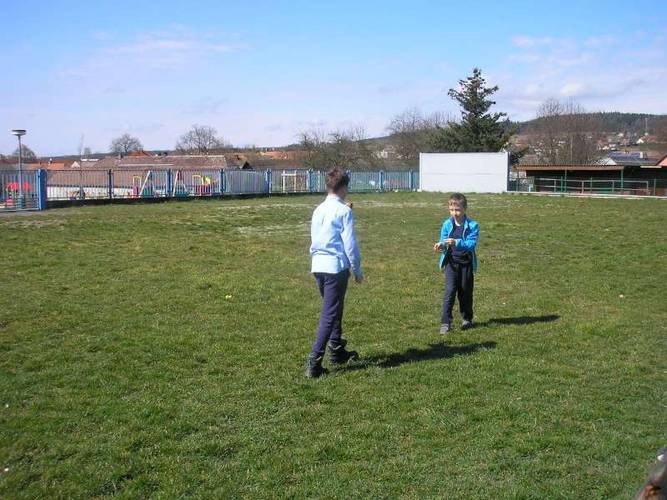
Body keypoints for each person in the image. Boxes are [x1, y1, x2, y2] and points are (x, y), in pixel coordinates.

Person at [306, 168, 363, 378]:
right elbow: (350, 245)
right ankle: (314, 362)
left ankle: (337, 349)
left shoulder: (318, 209)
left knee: (334, 308)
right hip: (335, 268)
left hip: (318, 266)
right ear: (344, 188)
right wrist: (357, 270)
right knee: (329, 314)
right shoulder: (344, 212)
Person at [433, 192, 479, 335]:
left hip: (466, 264)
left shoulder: (473, 225)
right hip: (451, 264)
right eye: (452, 210)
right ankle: (445, 322)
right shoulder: (447, 224)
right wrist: (440, 245)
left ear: (465, 209)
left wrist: (456, 242)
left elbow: (471, 244)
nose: (454, 213)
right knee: (449, 292)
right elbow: (443, 240)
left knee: (465, 292)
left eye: (458, 210)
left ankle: (467, 319)